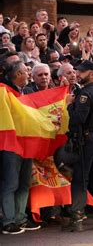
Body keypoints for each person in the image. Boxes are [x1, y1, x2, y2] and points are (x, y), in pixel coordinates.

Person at [67, 60, 93, 232]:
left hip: (86, 140)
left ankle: (77, 219)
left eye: (82, 72)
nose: (78, 74)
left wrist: (70, 105)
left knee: (80, 180)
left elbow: (78, 119)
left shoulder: (85, 95)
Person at [1, 61, 39, 235]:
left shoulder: (29, 91)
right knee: (10, 183)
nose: (29, 73)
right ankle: (8, 221)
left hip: (27, 144)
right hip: (11, 145)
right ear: (18, 74)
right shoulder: (3, 91)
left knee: (24, 183)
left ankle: (20, 218)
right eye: (26, 71)